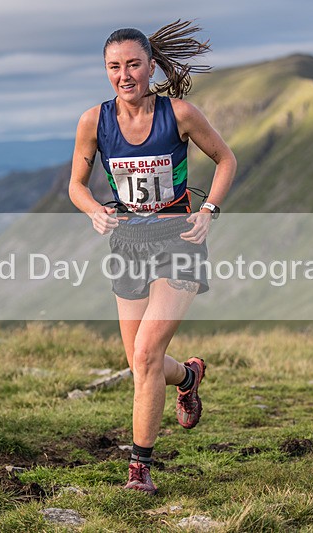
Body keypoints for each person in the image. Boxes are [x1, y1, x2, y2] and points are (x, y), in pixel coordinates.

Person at [68, 20, 237, 495]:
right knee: (142, 363)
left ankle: (139, 469)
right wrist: (95, 210)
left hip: (179, 238)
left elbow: (226, 159)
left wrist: (209, 210)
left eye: (133, 65)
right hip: (128, 243)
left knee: (145, 355)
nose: (124, 75)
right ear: (106, 72)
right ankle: (189, 375)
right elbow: (75, 186)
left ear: (151, 66)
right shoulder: (93, 122)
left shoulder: (179, 114)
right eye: (114, 67)